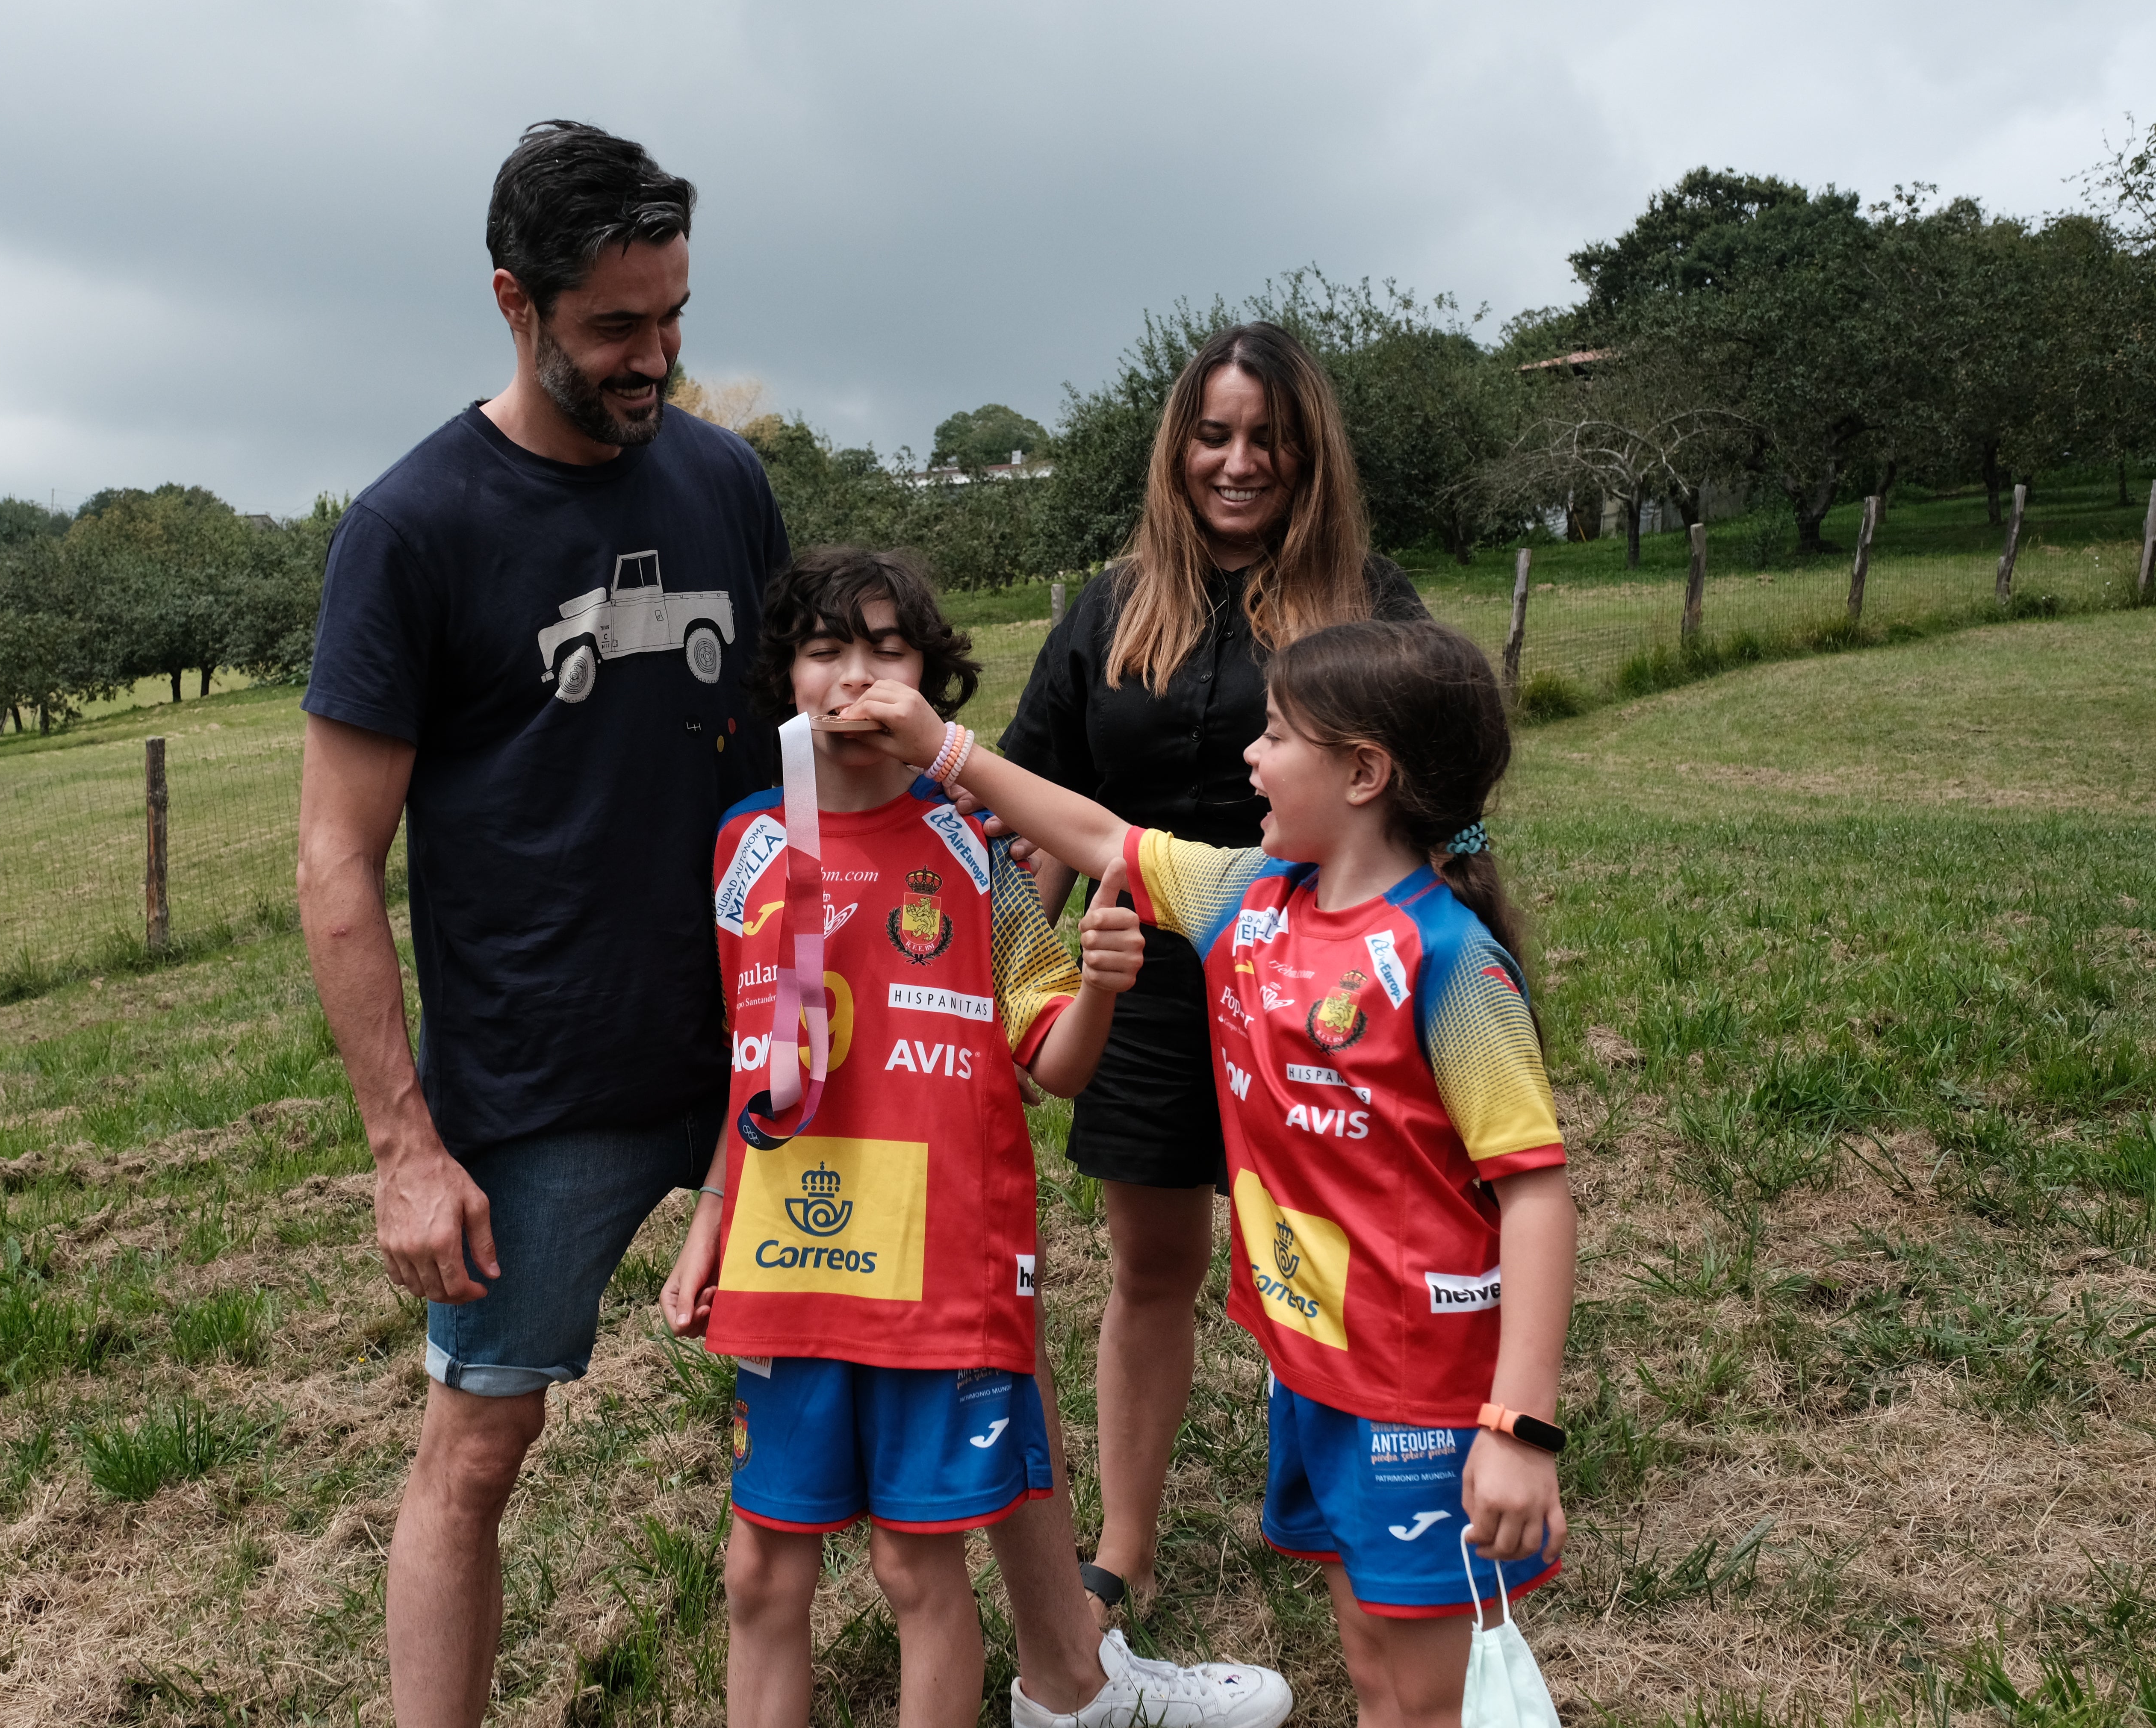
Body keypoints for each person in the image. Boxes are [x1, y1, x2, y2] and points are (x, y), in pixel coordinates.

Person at [843, 618, 1576, 1728]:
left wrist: (1518, 1427)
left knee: (1426, 1692)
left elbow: (1535, 1196)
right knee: (1372, 1656)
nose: (1250, 755)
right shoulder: (1248, 897)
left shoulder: (1448, 960)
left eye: (1278, 735)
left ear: (1366, 774)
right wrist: (943, 749)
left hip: (1422, 1391)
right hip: (1316, 1372)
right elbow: (1094, 834)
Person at [295, 121, 790, 1728]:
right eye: (615, 329)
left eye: (674, 320)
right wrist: (404, 1146)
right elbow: (335, 863)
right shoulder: (417, 528)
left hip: (754, 1073)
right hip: (538, 1087)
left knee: (822, 1414)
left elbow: (803, 763)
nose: (655, 360)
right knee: (478, 1445)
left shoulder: (727, 483)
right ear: (515, 301)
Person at [661, 550, 1297, 1728]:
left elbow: (1054, 1064)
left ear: (931, 677)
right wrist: (710, 1218)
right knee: (761, 1572)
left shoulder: (975, 848)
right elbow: (752, 1067)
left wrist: (1101, 986)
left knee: (916, 1570)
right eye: (825, 648)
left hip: (942, 1276)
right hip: (786, 1263)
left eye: (887, 648)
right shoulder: (740, 845)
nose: (855, 677)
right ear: (783, 676)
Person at [995, 321, 1428, 1622]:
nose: (1238, 464)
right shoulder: (1111, 607)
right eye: (1214, 435)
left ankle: (1370, 1511)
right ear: (1179, 445)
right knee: (1151, 1268)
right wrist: (1023, 989)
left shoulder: (1372, 603)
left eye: (1267, 440)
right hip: (1149, 986)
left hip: (1320, 993)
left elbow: (1433, 798)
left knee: (1340, 1260)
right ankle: (1122, 1544)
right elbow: (1038, 823)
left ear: (1308, 455)